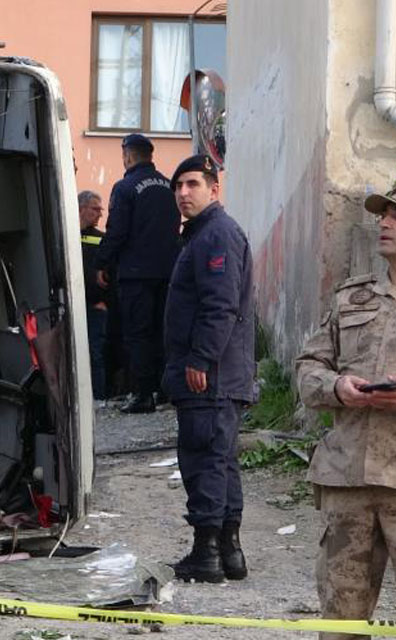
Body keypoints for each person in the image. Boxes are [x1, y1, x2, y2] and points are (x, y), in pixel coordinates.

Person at [295, 176, 396, 638]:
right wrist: (337, 386)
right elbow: (308, 367)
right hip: (348, 480)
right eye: (383, 214)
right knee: (341, 619)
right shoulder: (351, 298)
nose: (384, 222)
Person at [161, 155, 256, 583]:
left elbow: (222, 305)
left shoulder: (216, 235)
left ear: (214, 189)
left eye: (193, 184)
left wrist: (200, 358)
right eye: (178, 186)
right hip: (221, 373)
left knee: (203, 458)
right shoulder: (205, 234)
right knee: (221, 460)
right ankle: (228, 552)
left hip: (210, 375)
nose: (183, 193)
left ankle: (206, 554)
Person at [96, 133, 181, 413]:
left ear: (128, 156)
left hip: (135, 274)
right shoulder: (170, 186)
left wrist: (102, 263)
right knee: (163, 330)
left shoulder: (125, 187)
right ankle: (165, 390)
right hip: (168, 271)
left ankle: (143, 394)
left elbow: (117, 230)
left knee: (137, 333)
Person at [79, 190, 110, 400]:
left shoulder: (101, 239)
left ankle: (98, 399)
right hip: (68, 307)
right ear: (81, 209)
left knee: (94, 354)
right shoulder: (65, 234)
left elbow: (110, 275)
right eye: (95, 209)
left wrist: (104, 302)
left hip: (95, 307)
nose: (100, 214)